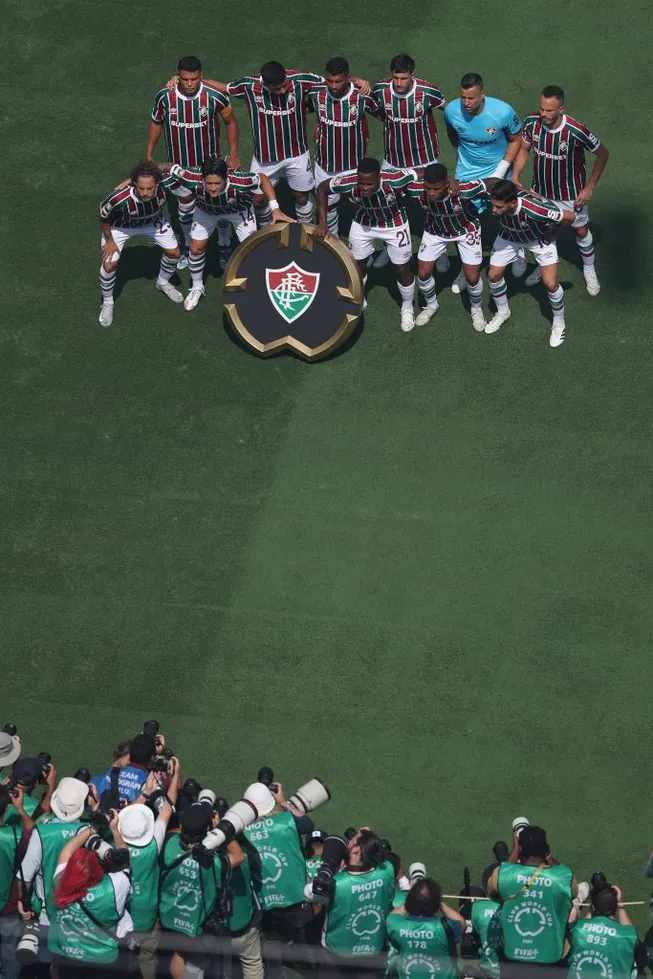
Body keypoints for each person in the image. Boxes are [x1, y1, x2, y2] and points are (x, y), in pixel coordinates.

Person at [512, 84, 609, 296]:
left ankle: (589, 268)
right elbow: (524, 149)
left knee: (581, 230)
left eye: (549, 110)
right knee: (542, 231)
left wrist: (589, 187)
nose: (543, 114)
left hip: (571, 195)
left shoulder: (576, 130)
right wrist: (515, 175)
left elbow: (602, 153)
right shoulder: (531, 122)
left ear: (561, 109)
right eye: (541, 109)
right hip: (540, 192)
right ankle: (543, 265)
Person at [147, 55, 240, 268]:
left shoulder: (214, 96)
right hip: (179, 166)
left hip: (211, 166)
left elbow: (231, 122)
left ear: (201, 76)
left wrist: (233, 154)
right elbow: (156, 122)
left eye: (194, 79)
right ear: (178, 76)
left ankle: (224, 246)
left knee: (220, 206)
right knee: (185, 208)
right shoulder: (165, 96)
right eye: (185, 79)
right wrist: (149, 155)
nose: (189, 84)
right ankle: (188, 246)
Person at [164, 157, 294, 309]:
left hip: (238, 212)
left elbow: (263, 179)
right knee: (196, 248)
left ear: (226, 178)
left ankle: (258, 286)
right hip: (207, 211)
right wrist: (133, 180)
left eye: (217, 183)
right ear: (202, 178)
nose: (212, 188)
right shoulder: (190, 176)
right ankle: (197, 287)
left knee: (251, 250)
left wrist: (275, 208)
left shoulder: (240, 181)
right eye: (209, 183)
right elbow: (166, 168)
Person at [315, 158, 417, 333]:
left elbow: (421, 173)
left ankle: (407, 307)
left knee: (402, 269)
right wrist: (322, 222)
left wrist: (449, 181)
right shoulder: (347, 183)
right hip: (364, 223)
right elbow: (322, 188)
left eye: (369, 184)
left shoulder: (396, 178)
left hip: (394, 224)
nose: (364, 188)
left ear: (379, 178)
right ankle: (359, 298)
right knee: (356, 266)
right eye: (361, 183)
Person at [444, 72, 524, 290]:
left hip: (498, 172)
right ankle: (467, 267)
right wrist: (461, 156)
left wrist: (500, 171)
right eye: (463, 97)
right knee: (467, 219)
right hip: (467, 173)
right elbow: (452, 133)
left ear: (482, 95)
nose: (466, 103)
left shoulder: (503, 111)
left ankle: (518, 252)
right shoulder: (452, 110)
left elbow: (517, 140)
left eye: (471, 98)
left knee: (507, 215)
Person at [371, 53, 446, 269]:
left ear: (413, 75)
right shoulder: (380, 90)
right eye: (396, 78)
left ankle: (437, 249)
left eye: (404, 78)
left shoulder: (427, 91)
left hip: (424, 159)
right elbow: (374, 107)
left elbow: (449, 110)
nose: (399, 83)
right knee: (389, 204)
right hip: (393, 160)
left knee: (432, 205)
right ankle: (390, 247)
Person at [159, 796, 245, 979]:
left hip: (169, 916)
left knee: (179, 953)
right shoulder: (213, 862)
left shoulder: (168, 846)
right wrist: (221, 830)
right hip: (197, 924)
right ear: (207, 829)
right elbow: (239, 856)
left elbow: (174, 833)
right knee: (197, 964)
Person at [404, 164, 498, 329]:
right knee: (423, 273)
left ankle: (476, 309)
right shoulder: (415, 189)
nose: (431, 193)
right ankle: (431, 305)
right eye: (428, 188)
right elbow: (397, 177)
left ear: (447, 185)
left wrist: (522, 191)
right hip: (435, 230)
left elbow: (492, 182)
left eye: (436, 188)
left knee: (472, 277)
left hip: (466, 229)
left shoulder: (465, 190)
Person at [484, 179, 575, 347]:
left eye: (498, 207)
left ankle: (559, 323)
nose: (494, 210)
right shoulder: (495, 196)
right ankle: (503, 312)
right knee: (493, 275)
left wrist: (554, 234)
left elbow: (569, 217)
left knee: (551, 284)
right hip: (509, 237)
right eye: (493, 205)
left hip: (538, 240)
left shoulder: (536, 210)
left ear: (512, 203)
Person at [242, 780, 314, 979]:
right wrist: (284, 802)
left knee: (272, 942)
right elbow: (308, 823)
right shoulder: (286, 820)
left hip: (266, 902)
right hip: (295, 898)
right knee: (303, 943)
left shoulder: (244, 832)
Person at [97, 164, 182, 328]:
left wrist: (133, 177)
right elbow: (103, 216)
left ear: (157, 182)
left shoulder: (165, 182)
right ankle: (107, 302)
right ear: (134, 185)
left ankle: (163, 283)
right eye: (141, 188)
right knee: (109, 265)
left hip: (153, 223)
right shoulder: (118, 198)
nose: (145, 193)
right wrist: (109, 240)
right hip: (121, 227)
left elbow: (170, 167)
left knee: (174, 253)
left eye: (150, 188)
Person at [47, 816, 132, 977]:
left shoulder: (59, 881)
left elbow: (67, 851)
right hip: (102, 958)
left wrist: (92, 829)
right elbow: (125, 860)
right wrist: (114, 829)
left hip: (67, 955)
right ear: (96, 870)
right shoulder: (113, 888)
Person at [118, 760, 179, 979]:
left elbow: (121, 820)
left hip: (119, 911)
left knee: (119, 955)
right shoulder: (153, 845)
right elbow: (167, 809)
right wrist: (175, 774)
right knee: (147, 958)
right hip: (147, 914)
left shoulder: (115, 845)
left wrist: (145, 793)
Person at [308, 57, 381, 238]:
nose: (333, 86)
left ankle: (364, 247)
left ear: (347, 78)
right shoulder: (316, 93)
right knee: (328, 205)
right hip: (325, 165)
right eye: (330, 81)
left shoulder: (361, 96)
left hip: (354, 166)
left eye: (338, 81)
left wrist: (359, 81)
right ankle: (331, 244)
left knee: (363, 206)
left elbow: (384, 114)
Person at [486, 825, 577, 966]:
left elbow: (494, 888)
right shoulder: (563, 878)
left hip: (513, 958)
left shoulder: (502, 875)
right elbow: (571, 890)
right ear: (546, 849)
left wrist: (515, 849)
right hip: (552, 960)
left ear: (521, 848)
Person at [314, 829, 395, 978]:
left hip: (337, 952)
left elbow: (309, 894)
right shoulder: (386, 871)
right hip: (373, 949)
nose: (348, 841)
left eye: (351, 841)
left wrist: (332, 869)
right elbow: (387, 858)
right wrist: (370, 839)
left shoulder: (338, 883)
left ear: (356, 849)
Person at [18, 775, 89, 942]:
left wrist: (22, 900)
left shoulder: (41, 832)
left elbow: (25, 877)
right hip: (80, 914)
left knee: (47, 959)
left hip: (46, 915)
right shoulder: (90, 832)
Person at [387, 876, 466, 979]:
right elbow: (462, 923)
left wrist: (412, 899)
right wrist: (439, 902)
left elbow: (392, 916)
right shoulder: (446, 928)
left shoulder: (396, 925)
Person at [567, 879, 647, 979]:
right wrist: (620, 904)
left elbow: (584, 926)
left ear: (593, 907)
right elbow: (629, 931)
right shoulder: (628, 936)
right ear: (615, 907)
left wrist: (592, 906)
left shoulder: (577, 929)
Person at [0, 786, 37, 979]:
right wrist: (21, 809)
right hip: (8, 906)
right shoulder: (12, 836)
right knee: (9, 948)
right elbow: (31, 830)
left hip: (9, 906)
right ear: (6, 810)